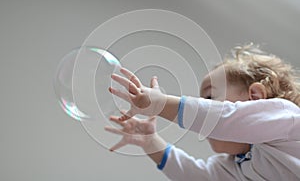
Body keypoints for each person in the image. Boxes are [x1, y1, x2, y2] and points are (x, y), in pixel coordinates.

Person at [105, 43, 300, 180]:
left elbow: (224, 119)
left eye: (209, 99)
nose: (204, 107)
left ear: (255, 97)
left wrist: (161, 104)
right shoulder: (234, 165)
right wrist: (151, 143)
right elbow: (197, 176)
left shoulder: (284, 119)